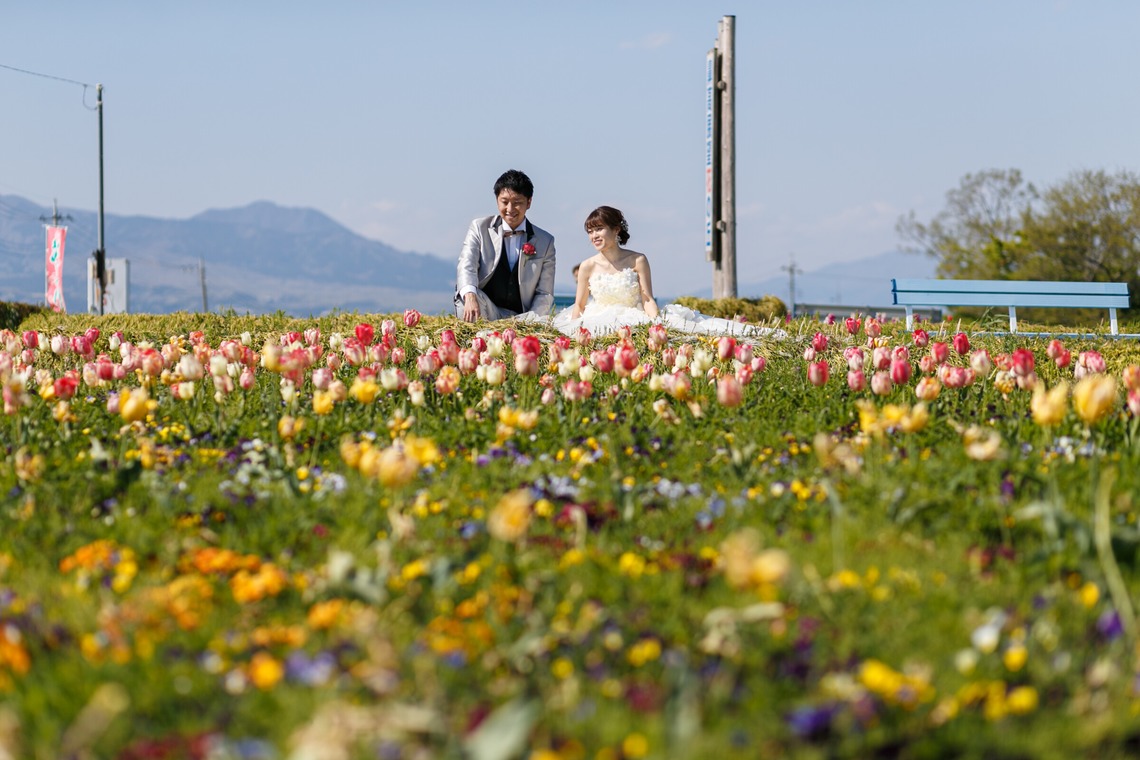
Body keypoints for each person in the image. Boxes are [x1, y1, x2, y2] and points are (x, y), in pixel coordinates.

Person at [551, 206, 781, 338]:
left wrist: (656, 323)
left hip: (633, 315)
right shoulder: (587, 266)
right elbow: (580, 305)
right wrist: (573, 331)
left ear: (616, 229)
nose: (594, 236)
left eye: (599, 229)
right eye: (590, 231)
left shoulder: (637, 260)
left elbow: (647, 298)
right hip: (598, 319)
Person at [455, 169, 556, 322]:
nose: (510, 209)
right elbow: (466, 265)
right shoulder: (479, 227)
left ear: (529, 202)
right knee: (466, 297)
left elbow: (545, 293)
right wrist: (470, 296)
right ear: (497, 200)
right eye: (504, 202)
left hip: (522, 317)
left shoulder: (545, 241)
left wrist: (528, 323)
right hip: (486, 309)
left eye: (517, 203)